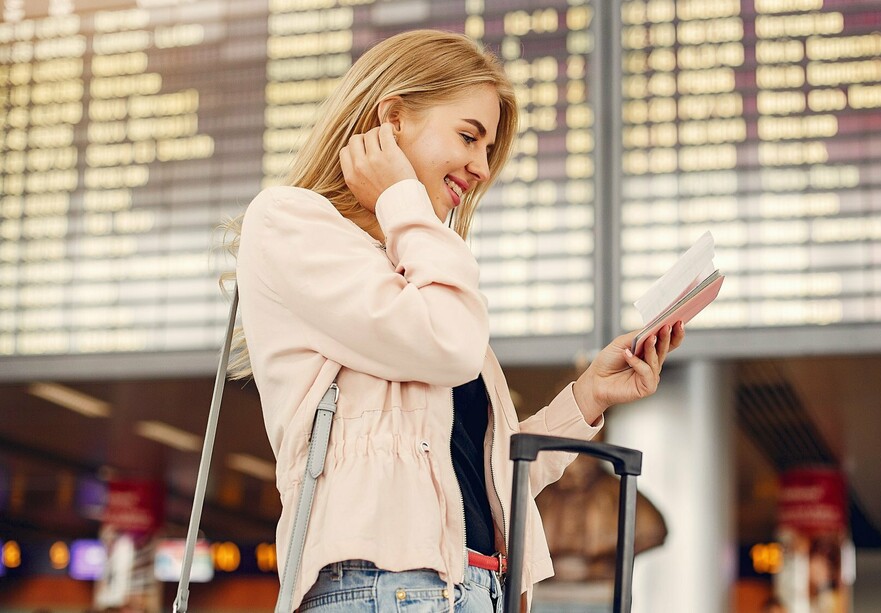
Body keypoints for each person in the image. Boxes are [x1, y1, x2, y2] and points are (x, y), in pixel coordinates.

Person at [226, 30, 684, 612]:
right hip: (382, 586)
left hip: (472, 587)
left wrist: (589, 396)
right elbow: (448, 344)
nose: (480, 167)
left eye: (488, 149)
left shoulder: (414, 269)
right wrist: (401, 199)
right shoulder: (291, 221)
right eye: (469, 137)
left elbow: (492, 475)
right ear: (391, 119)